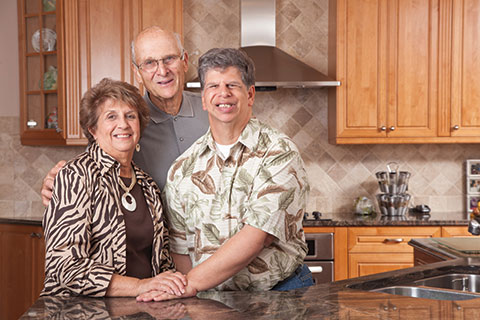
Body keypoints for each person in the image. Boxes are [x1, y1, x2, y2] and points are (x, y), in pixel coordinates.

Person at [137, 48, 312, 302]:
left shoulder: (279, 153)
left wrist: (190, 285)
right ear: (204, 99)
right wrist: (194, 299)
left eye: (232, 85)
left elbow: (255, 237)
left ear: (250, 94)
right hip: (209, 300)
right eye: (213, 86)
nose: (223, 94)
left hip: (279, 294)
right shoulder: (183, 168)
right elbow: (180, 249)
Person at [42, 78, 187, 297]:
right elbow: (64, 265)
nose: (124, 125)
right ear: (93, 129)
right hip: (82, 309)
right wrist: (139, 286)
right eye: (111, 117)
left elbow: (162, 261)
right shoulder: (75, 176)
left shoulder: (148, 186)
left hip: (143, 306)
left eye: (130, 116)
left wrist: (170, 288)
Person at [41, 26, 209, 205]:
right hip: (157, 232)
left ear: (184, 61)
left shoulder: (213, 110)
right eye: (149, 63)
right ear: (137, 72)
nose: (162, 71)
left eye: (169, 58)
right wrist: (59, 181)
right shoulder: (128, 125)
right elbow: (92, 169)